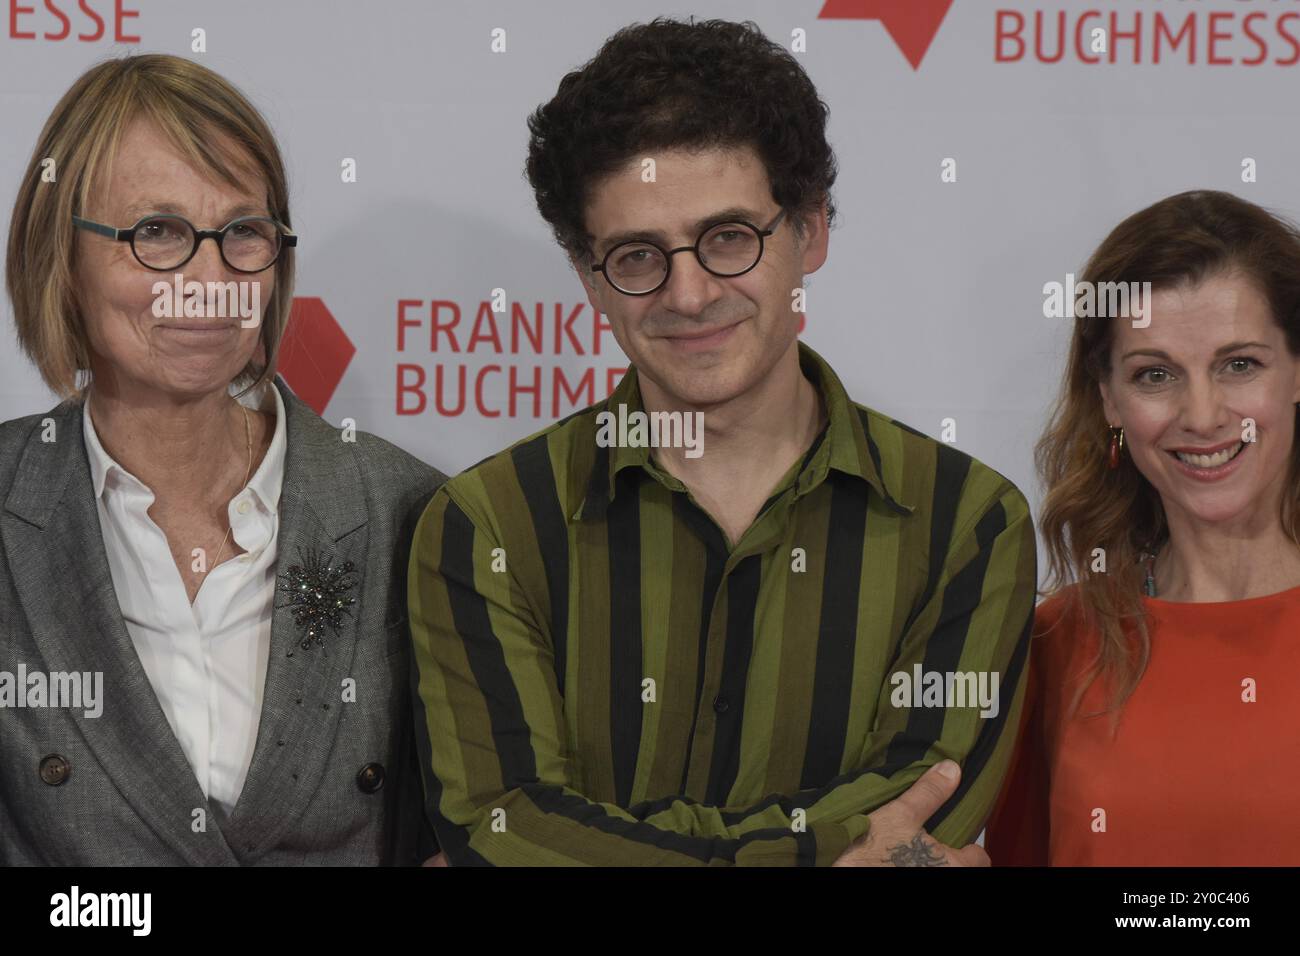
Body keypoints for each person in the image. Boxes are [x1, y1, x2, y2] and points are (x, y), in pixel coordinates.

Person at [408, 18, 1036, 866]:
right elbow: (503, 824)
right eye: (637, 255)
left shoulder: (967, 522)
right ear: (590, 277)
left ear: (809, 231)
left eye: (729, 238)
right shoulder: (486, 525)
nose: (690, 294)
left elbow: (927, 806)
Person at [0, 55, 444, 865]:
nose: (210, 282)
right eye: (157, 233)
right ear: (62, 258)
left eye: (242, 233)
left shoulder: (414, 511)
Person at [986, 190, 1300, 865]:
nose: (1204, 415)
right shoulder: (1057, 642)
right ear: (1109, 400)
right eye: (1155, 374)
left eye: (1239, 364)